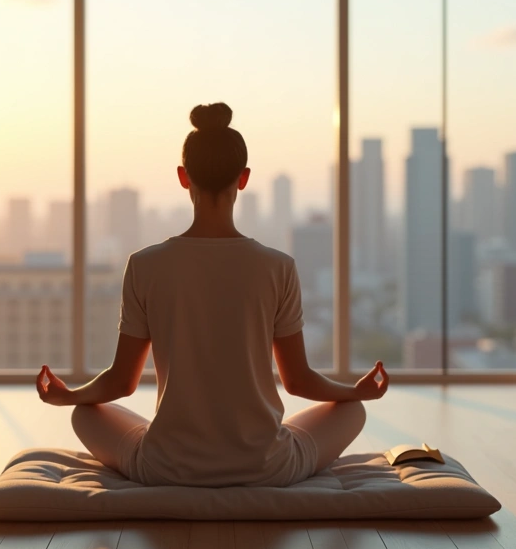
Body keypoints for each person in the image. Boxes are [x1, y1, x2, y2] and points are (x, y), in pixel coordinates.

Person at [35, 102, 389, 487]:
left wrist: (69, 396)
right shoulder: (278, 267)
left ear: (184, 177)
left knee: (84, 414)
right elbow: (298, 381)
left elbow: (122, 383)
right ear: (244, 178)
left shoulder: (144, 265)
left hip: (166, 466)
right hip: (267, 466)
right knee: (353, 411)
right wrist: (356, 391)